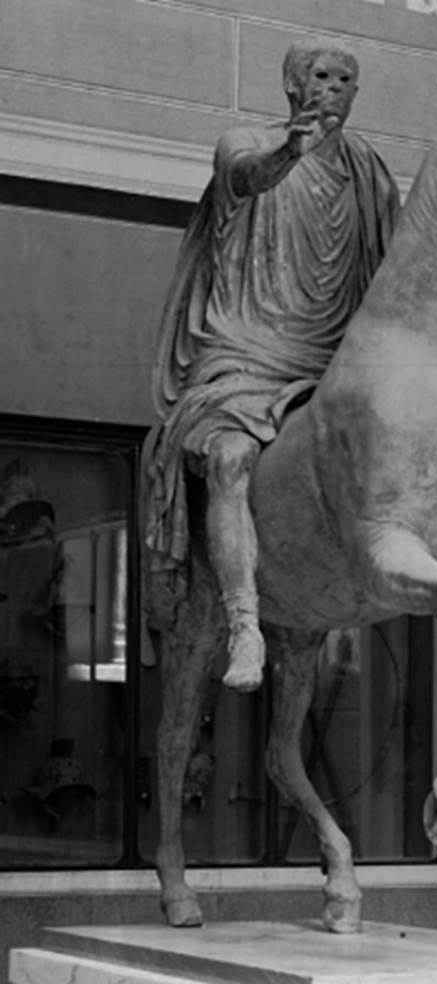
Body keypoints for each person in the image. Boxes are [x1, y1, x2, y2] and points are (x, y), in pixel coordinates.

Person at [143, 41, 400, 692]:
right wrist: (292, 149)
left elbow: (402, 256)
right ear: (291, 84)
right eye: (321, 76)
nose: (334, 88)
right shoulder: (243, 142)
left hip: (333, 361)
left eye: (347, 80)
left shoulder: (367, 169)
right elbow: (248, 175)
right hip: (247, 354)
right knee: (229, 461)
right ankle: (245, 623)